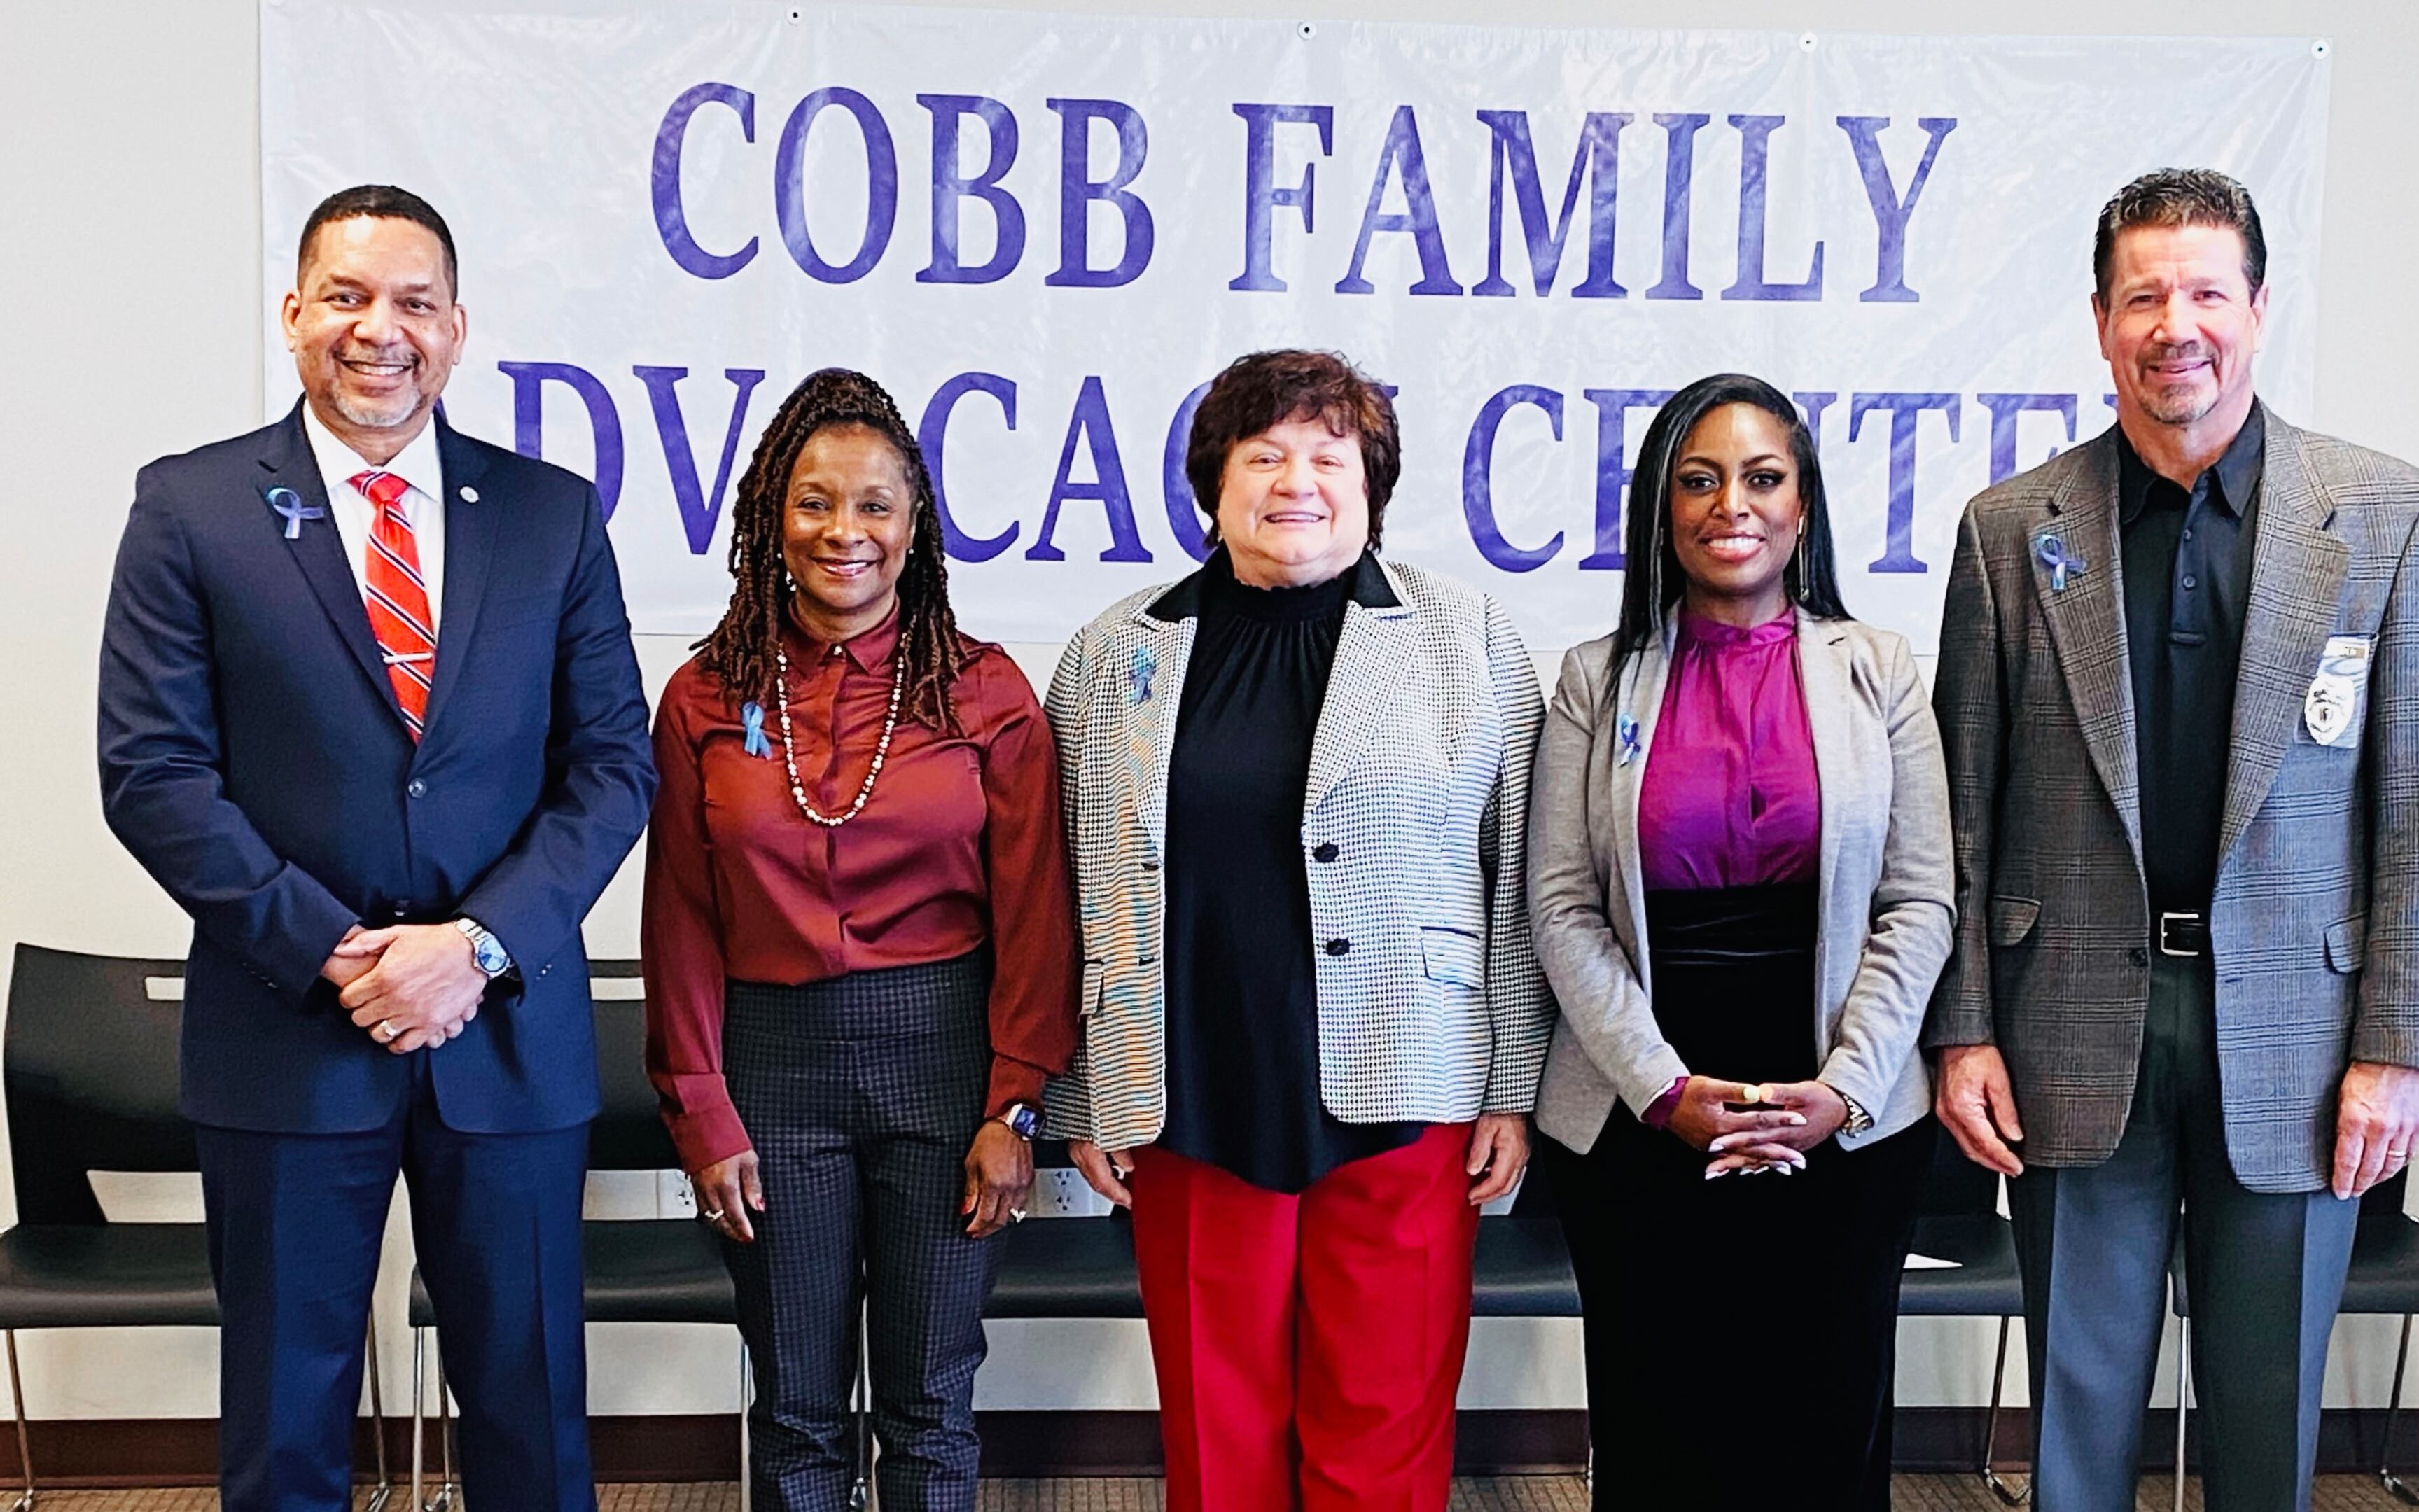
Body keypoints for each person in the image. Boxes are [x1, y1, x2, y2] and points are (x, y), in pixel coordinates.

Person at [1927, 169, 2419, 1512]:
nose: (2175, 323)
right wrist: (1963, 1032)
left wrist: (2402, 1048)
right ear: (2103, 322)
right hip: (2068, 1018)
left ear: (2258, 308)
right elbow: (1961, 802)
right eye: (2144, 296)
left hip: (2304, 1032)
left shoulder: (2387, 516)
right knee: (2076, 1414)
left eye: (2204, 292)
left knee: (2264, 1417)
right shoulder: (2013, 531)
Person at [96, 184, 654, 1511]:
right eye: (346, 297)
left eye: (412, 303)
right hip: (288, 1033)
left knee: (530, 1419)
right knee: (287, 1427)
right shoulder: (190, 509)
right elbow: (152, 774)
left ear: (458, 330)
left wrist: (472, 947)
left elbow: (613, 766)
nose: (378, 331)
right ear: (293, 315)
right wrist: (338, 953)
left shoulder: (552, 514)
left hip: (506, 1034)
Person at [1043, 348, 1549, 1511]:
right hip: (1190, 1093)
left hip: (1410, 1089)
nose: (1296, 480)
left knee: (1386, 1420)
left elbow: (1519, 874)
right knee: (1218, 1434)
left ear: (1371, 484)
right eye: (1263, 454)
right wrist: (1081, 1094)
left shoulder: (1466, 640)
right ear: (1212, 484)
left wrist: (1512, 1084)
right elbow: (1073, 889)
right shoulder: (1116, 652)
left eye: (1329, 455)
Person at [642, 368, 1078, 1511]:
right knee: (795, 1409)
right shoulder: (703, 695)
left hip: (946, 1066)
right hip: (769, 1071)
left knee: (930, 1404)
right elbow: (680, 914)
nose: (846, 532)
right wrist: (701, 1109)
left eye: (875, 504)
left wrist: (1013, 1106)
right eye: (816, 501)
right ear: (770, 520)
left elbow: (1038, 917)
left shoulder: (986, 694)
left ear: (915, 521)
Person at [1525, 373, 1953, 1508]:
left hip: (1839, 1109)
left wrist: (1846, 1090)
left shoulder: (1883, 672)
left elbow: (1922, 902)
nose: (1733, 505)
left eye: (1763, 478)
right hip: (1640, 1111)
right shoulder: (1593, 679)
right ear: (1663, 512)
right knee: (1663, 1425)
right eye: (1700, 480)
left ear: (1804, 508)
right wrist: (1666, 1091)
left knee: (1822, 1426)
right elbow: (1560, 908)